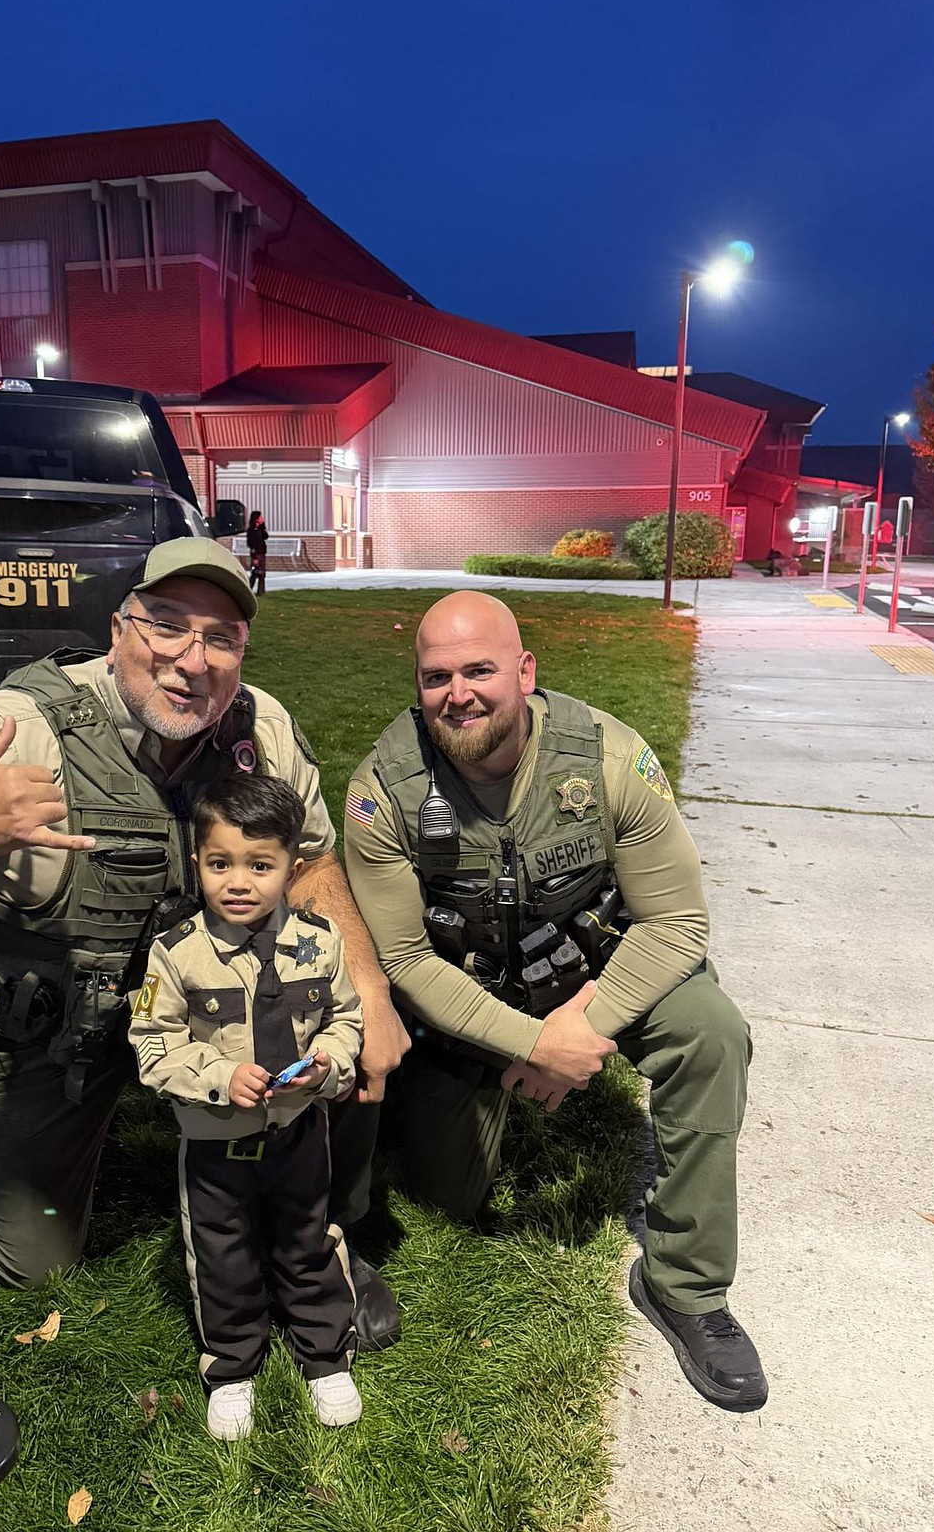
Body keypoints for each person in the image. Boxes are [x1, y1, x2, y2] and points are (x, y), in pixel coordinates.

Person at [0, 538, 408, 1350]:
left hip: (208, 1000)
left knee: (338, 1028)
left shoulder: (258, 726)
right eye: (166, 625)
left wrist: (370, 992)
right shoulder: (11, 730)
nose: (191, 660)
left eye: (221, 637)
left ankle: (314, 1235)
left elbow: (307, 860)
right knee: (33, 1263)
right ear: (118, 628)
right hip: (57, 1033)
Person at [342, 591, 767, 1412]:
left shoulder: (607, 758)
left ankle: (687, 1286)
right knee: (445, 1196)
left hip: (594, 977)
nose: (458, 693)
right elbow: (400, 958)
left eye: (479, 670)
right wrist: (530, 1045)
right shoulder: (383, 791)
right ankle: (431, 1113)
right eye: (436, 676)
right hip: (470, 1008)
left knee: (711, 1031)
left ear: (525, 672)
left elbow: (676, 923)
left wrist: (580, 1028)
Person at [131, 773, 363, 1440]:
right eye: (219, 863)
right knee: (222, 1255)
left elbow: (344, 1021)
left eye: (260, 865)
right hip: (214, 1144)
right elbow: (152, 1045)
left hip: (298, 1134)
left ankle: (324, 1355)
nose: (239, 882)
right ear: (196, 863)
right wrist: (219, 1076)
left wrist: (327, 1065)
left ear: (291, 867)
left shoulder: (320, 943)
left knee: (309, 1241)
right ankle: (232, 1368)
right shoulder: (175, 956)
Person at [246, 510, 268, 597]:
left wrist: (262, 528)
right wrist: (254, 558)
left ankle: (261, 591)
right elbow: (251, 544)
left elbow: (266, 537)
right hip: (256, 553)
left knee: (262, 573)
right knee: (256, 572)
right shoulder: (251, 530)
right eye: (260, 517)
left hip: (262, 552)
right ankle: (249, 589)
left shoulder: (260, 529)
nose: (261, 518)